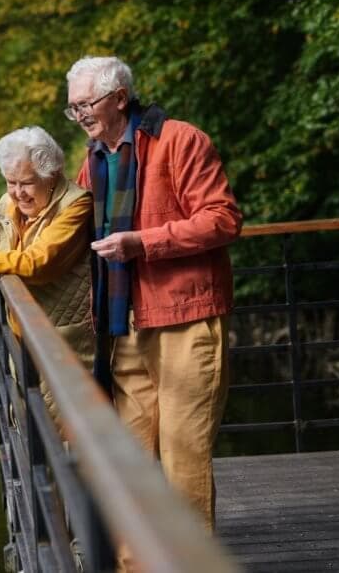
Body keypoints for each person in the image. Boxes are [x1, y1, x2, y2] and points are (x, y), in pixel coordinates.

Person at [67, 55, 242, 537]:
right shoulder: (94, 159)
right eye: (73, 109)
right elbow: (67, 230)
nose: (80, 116)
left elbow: (223, 219)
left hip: (187, 319)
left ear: (119, 98)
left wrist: (142, 243)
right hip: (124, 324)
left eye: (86, 105)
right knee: (131, 462)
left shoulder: (180, 139)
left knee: (183, 459)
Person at [0, 126, 96, 401]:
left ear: (52, 176)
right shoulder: (4, 207)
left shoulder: (76, 205)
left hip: (66, 351)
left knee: (63, 439)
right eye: (11, 182)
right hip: (23, 349)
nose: (17, 193)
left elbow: (36, 264)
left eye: (26, 183)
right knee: (29, 431)